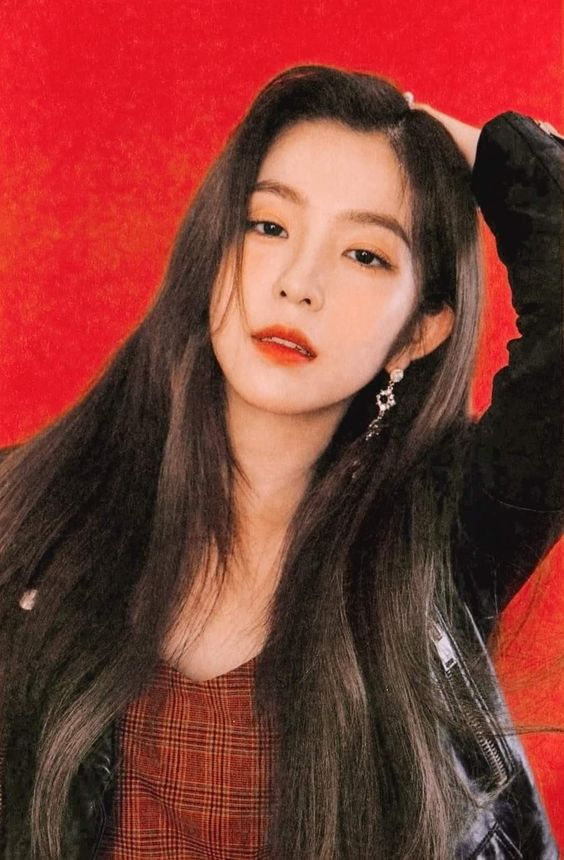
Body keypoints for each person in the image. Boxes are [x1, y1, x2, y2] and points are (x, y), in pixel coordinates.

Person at [0, 65, 562, 860]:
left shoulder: (438, 536)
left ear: (420, 330)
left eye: (364, 254)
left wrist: (504, 159)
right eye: (268, 226)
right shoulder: (30, 521)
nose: (300, 284)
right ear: (214, 253)